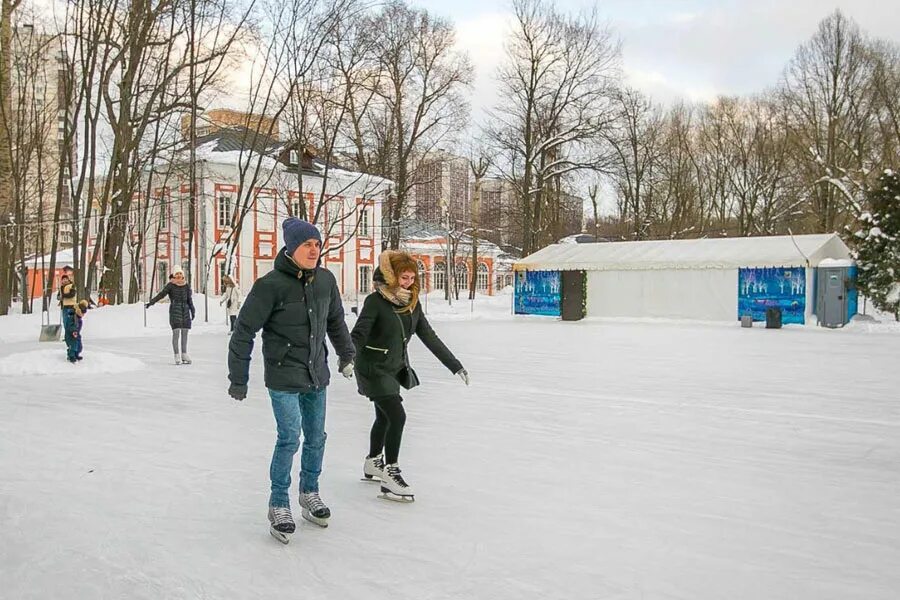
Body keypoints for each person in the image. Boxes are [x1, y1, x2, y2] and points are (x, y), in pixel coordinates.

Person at [227, 217, 355, 544]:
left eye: (316, 244)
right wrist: (238, 378)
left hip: (316, 373)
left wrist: (346, 354)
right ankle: (279, 503)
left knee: (316, 437)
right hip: (283, 375)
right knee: (289, 438)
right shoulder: (270, 285)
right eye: (306, 245)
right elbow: (243, 332)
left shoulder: (325, 280)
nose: (314, 250)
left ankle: (309, 492)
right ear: (291, 248)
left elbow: (336, 321)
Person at [351, 250, 469, 502]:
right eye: (403, 278)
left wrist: (454, 365)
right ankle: (391, 472)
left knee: (383, 417)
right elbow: (359, 334)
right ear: (391, 276)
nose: (408, 283)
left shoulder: (412, 303)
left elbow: (429, 336)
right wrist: (346, 356)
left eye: (411, 278)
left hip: (394, 368)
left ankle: (373, 461)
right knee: (397, 414)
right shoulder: (375, 301)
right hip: (371, 368)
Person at [146, 268, 196, 365]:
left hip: (185, 311)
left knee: (185, 333)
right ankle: (177, 354)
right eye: (177, 273)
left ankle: (184, 354)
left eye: (180, 273)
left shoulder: (186, 286)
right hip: (174, 311)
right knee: (176, 333)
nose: (178, 275)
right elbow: (161, 295)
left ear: (183, 275)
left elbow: (189, 300)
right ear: (174, 275)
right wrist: (151, 302)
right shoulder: (171, 285)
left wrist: (192, 310)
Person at [58, 273, 79, 363]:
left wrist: (63, 296)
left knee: (72, 328)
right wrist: (60, 297)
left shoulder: (72, 286)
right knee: (66, 326)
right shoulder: (61, 288)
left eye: (66, 279)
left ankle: (73, 353)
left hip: (71, 308)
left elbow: (72, 294)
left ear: (68, 279)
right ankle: (69, 347)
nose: (64, 281)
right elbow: (58, 297)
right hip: (65, 308)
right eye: (63, 280)